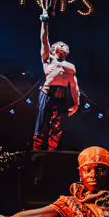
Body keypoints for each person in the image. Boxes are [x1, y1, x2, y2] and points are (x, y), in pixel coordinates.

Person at [32, 16, 79, 152]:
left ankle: (52, 152)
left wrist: (76, 103)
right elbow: (44, 40)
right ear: (54, 49)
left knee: (57, 126)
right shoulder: (49, 59)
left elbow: (74, 86)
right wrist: (44, 23)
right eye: (61, 44)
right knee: (42, 123)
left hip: (62, 97)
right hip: (48, 93)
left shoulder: (71, 67)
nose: (64, 45)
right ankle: (36, 151)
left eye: (65, 45)